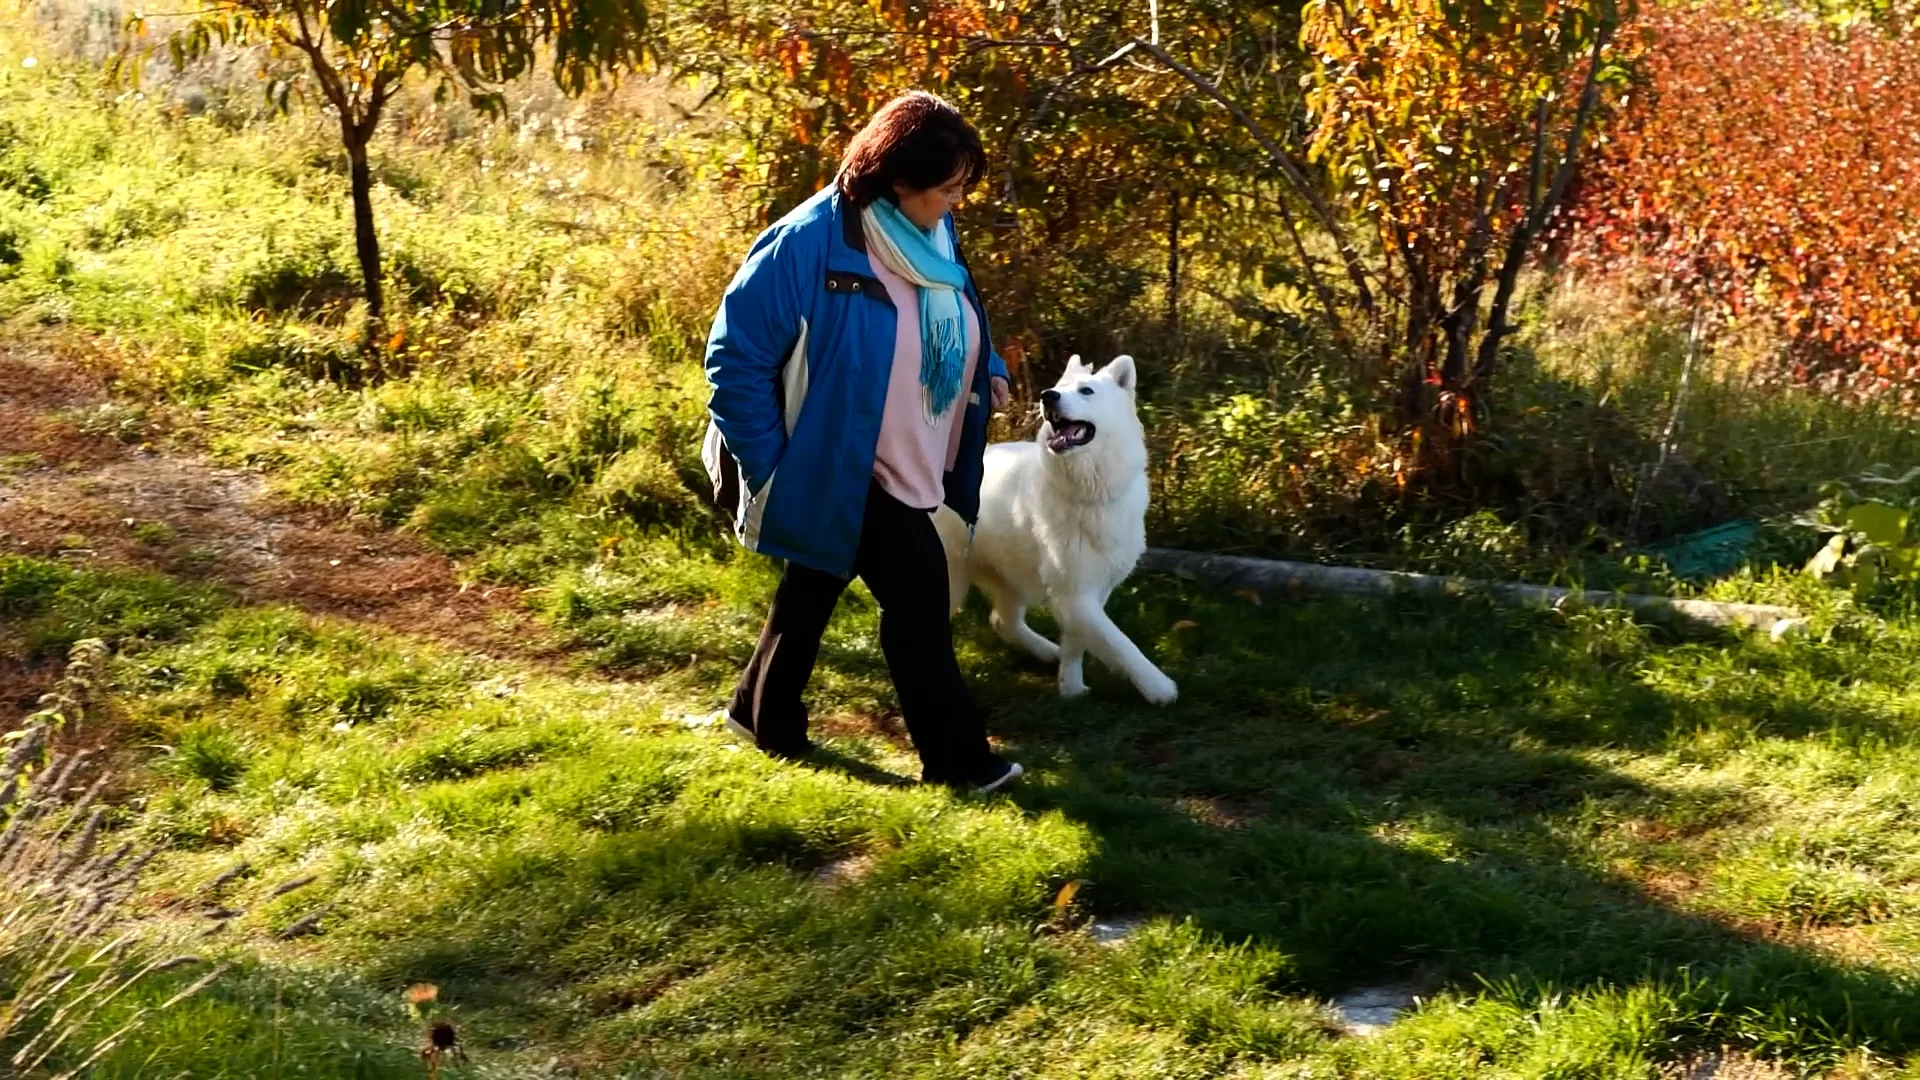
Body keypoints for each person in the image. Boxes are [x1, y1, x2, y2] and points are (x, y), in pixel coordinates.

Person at [700, 91, 1022, 792]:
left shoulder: (929, 231)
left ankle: (760, 713)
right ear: (899, 180)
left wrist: (987, 367)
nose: (957, 203)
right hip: (835, 462)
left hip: (906, 448)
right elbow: (734, 362)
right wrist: (776, 471)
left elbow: (957, 306)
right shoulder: (806, 243)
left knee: (816, 579)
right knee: (919, 596)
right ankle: (961, 763)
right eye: (948, 189)